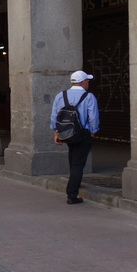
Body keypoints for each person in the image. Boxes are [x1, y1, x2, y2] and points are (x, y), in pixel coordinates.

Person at [50, 70, 100, 205]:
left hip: (66, 134)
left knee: (73, 159)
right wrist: (93, 131)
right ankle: (72, 195)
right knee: (78, 164)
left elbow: (55, 116)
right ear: (83, 82)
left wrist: (56, 133)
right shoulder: (89, 97)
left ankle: (74, 181)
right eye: (87, 81)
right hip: (82, 134)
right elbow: (93, 117)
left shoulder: (61, 95)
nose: (88, 83)